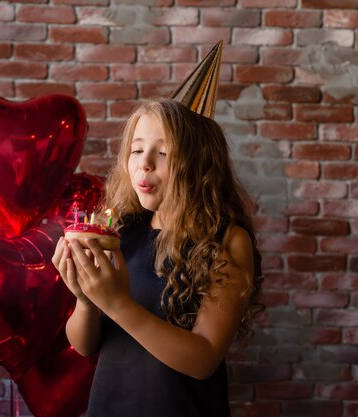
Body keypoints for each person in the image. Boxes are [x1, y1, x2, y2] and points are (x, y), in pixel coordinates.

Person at [52, 42, 262, 417]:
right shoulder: (121, 232)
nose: (144, 164)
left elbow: (203, 359)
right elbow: (85, 346)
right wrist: (85, 299)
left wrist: (116, 303)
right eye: (136, 150)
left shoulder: (227, 242)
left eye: (162, 153)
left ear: (198, 165)